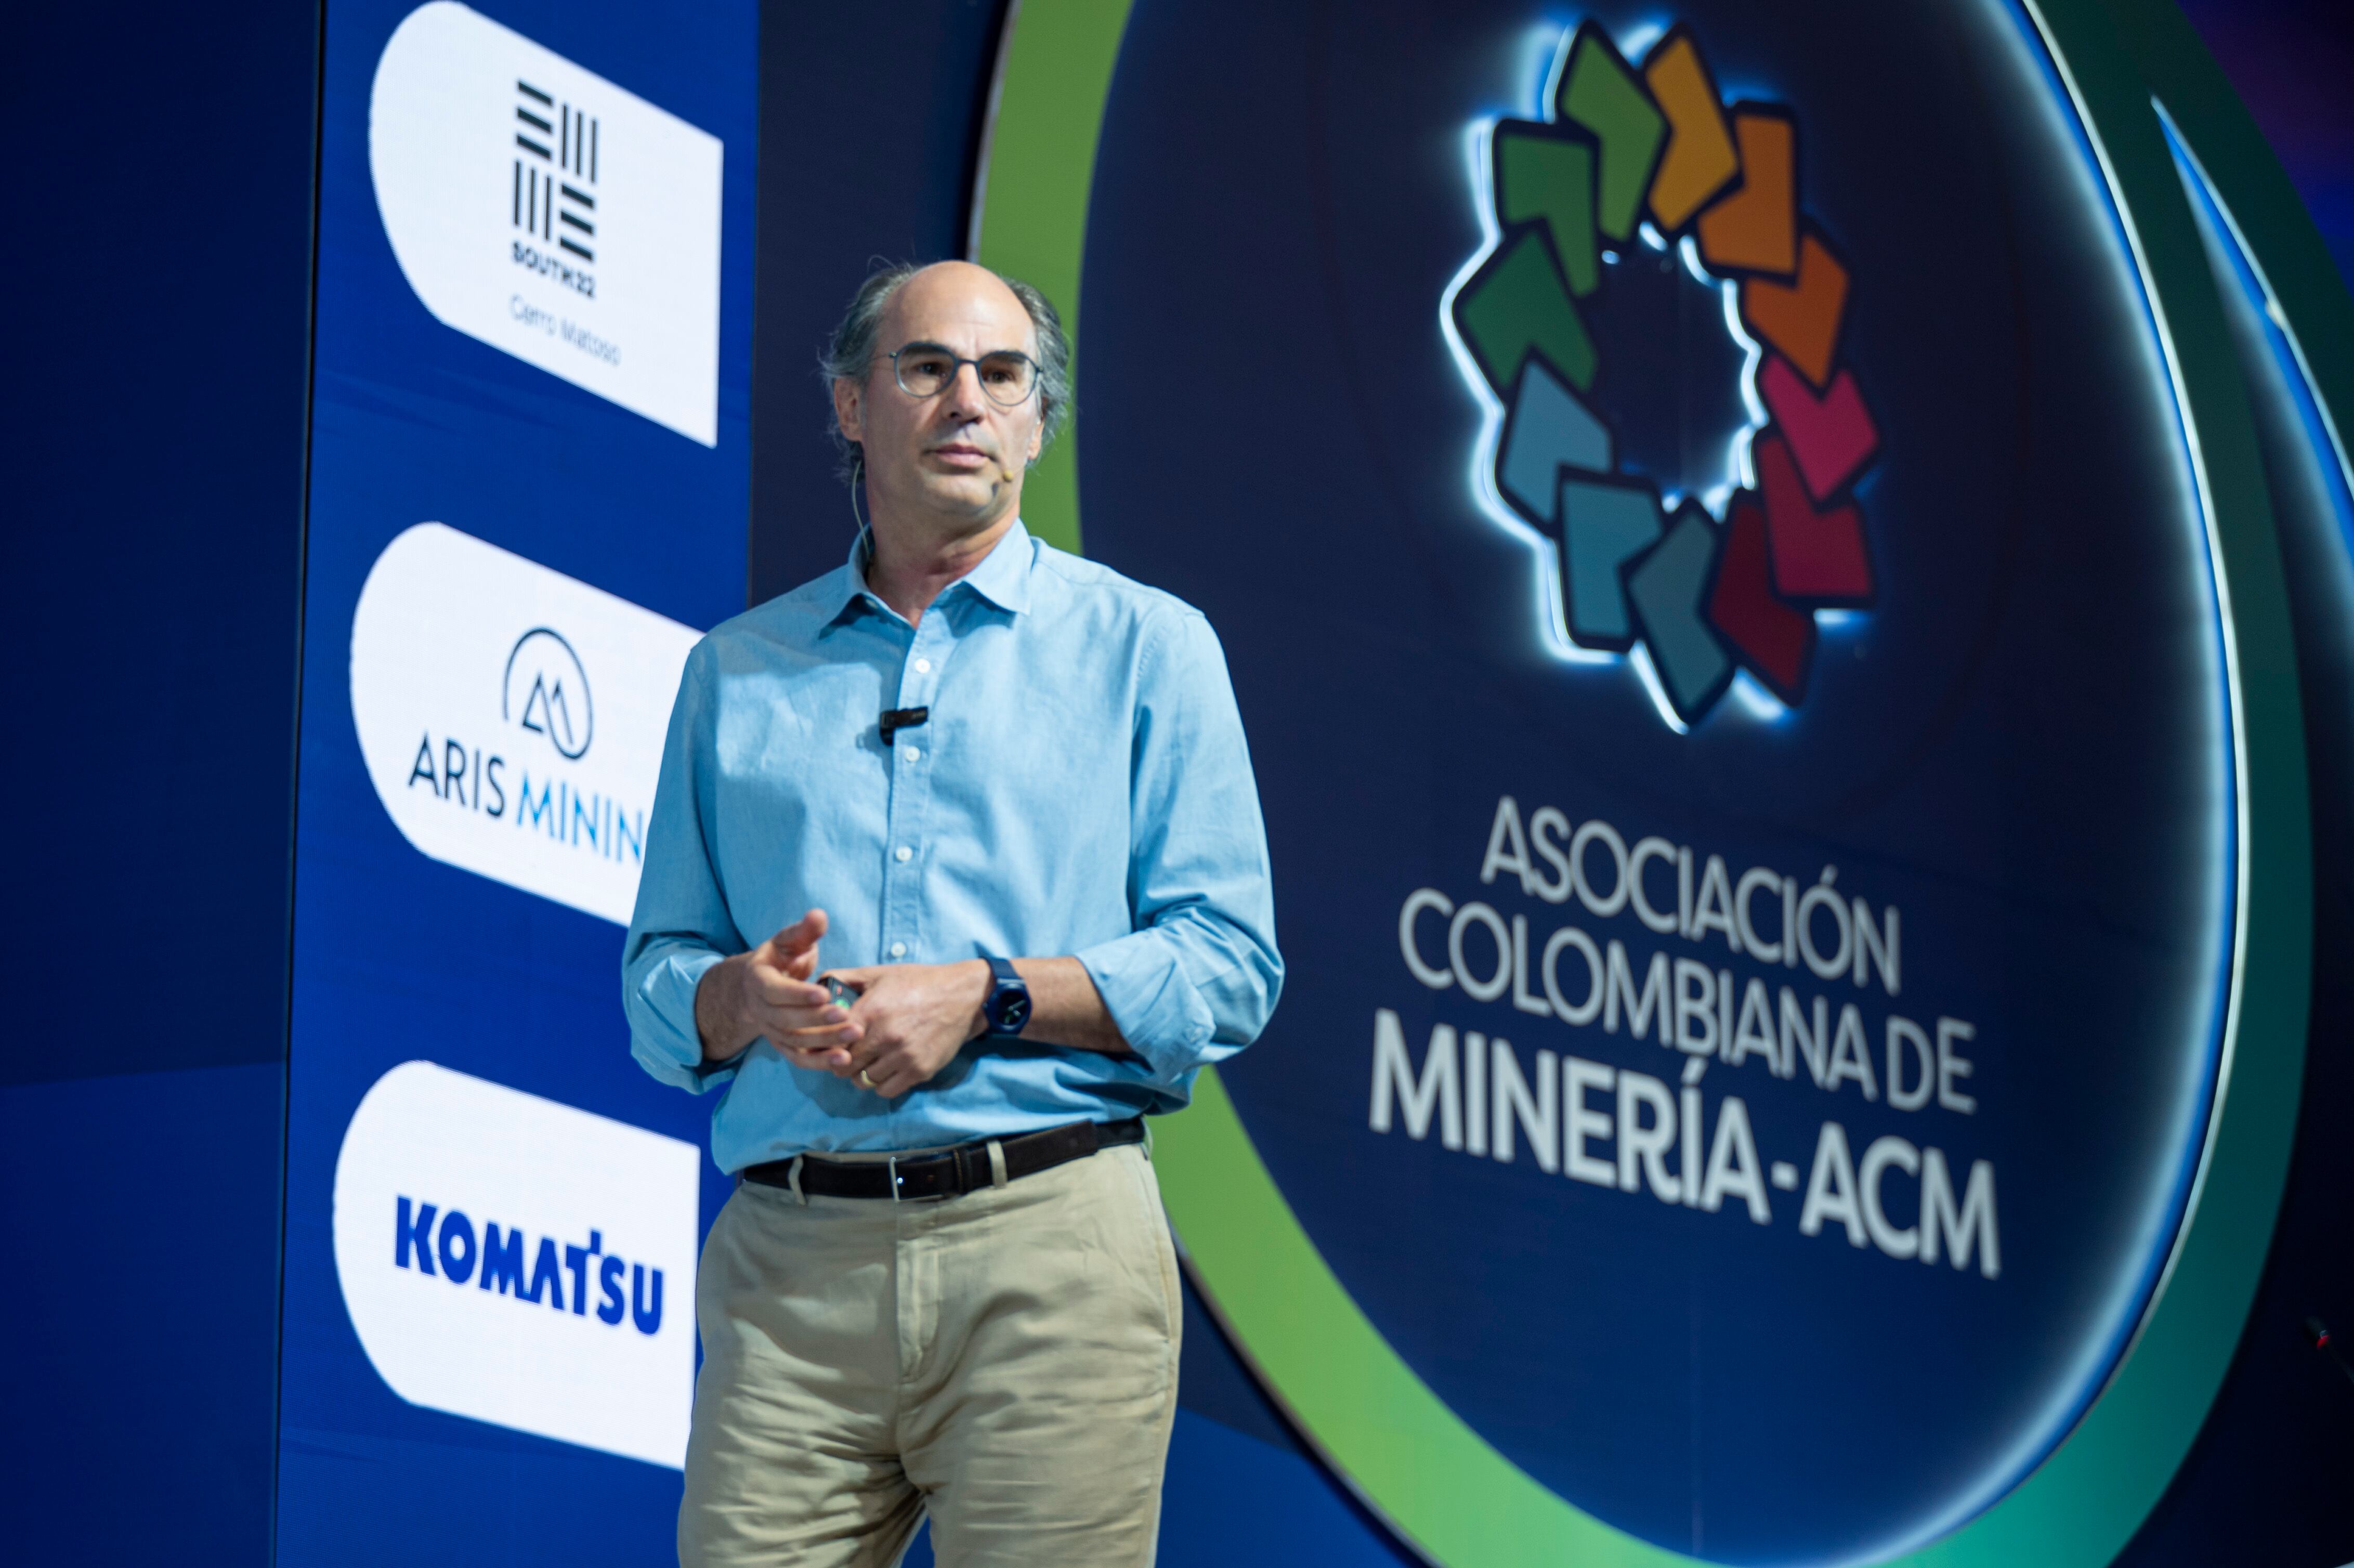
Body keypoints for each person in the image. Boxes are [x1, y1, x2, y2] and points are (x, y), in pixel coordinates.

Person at [621, 258, 1283, 1567]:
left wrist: (987, 994)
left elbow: (1226, 966)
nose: (967, 400)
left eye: (1002, 374)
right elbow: (659, 979)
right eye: (926, 367)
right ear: (850, 405)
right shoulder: (734, 671)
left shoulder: (1149, 647)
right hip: (789, 1270)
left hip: (1047, 1248)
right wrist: (738, 997)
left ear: (1037, 422)